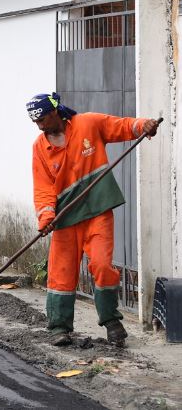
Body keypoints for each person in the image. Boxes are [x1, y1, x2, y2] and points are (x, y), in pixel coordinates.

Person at [27, 92, 158, 347]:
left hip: (97, 210)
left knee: (101, 264)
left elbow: (120, 126)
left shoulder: (87, 124)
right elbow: (42, 187)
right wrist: (46, 217)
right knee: (61, 273)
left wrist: (143, 125)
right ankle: (59, 327)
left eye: (43, 119)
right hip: (66, 218)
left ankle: (111, 321)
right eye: (36, 123)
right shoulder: (39, 148)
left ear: (55, 112)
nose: (40, 126)